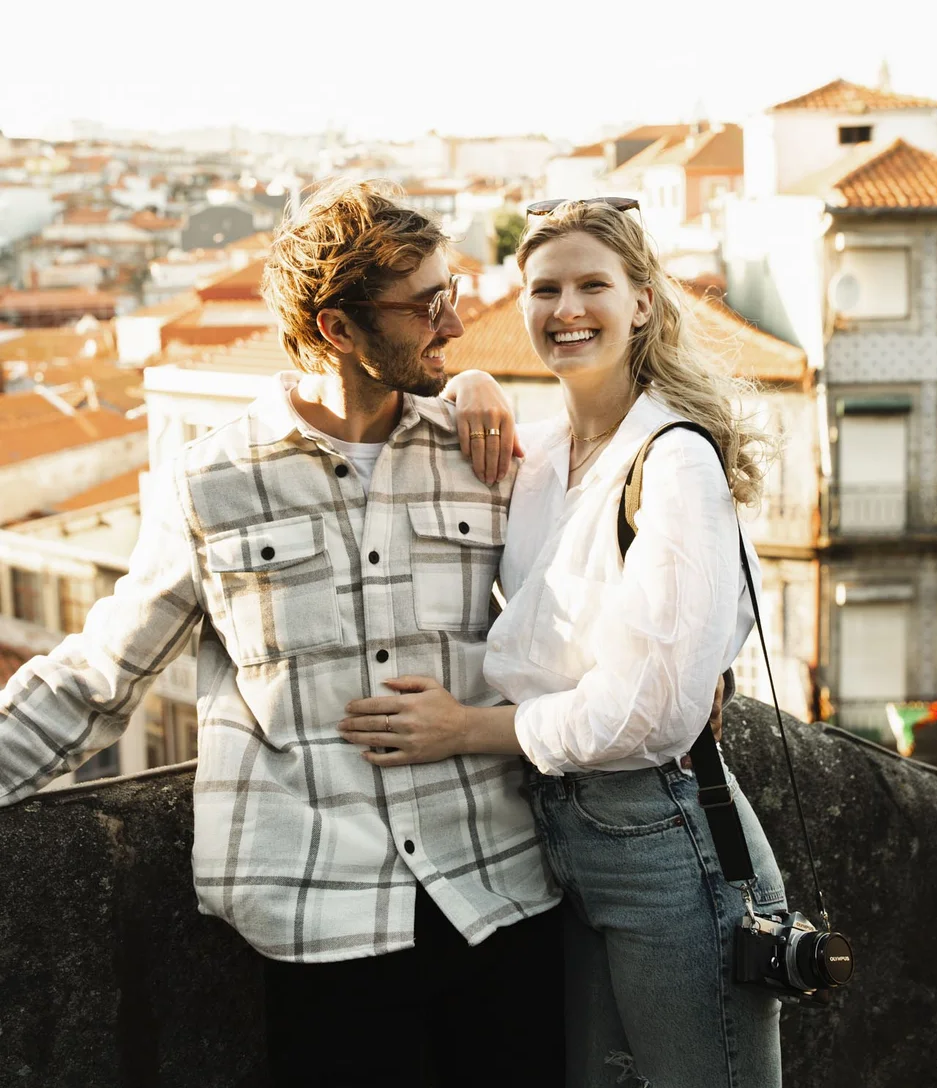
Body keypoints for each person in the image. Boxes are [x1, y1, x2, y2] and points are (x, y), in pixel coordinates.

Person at [0, 180, 564, 1088]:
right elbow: (98, 676)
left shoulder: (481, 452)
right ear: (337, 328)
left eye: (448, 293)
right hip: (323, 919)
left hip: (497, 895)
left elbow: (570, 621)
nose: (454, 326)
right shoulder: (208, 484)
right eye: (426, 306)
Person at [339, 197, 787, 1087]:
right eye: (545, 290)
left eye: (594, 286)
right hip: (558, 843)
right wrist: (465, 384)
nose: (567, 310)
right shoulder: (541, 459)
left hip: (668, 842)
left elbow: (650, 714)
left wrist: (466, 728)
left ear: (644, 303)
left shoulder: (675, 463)